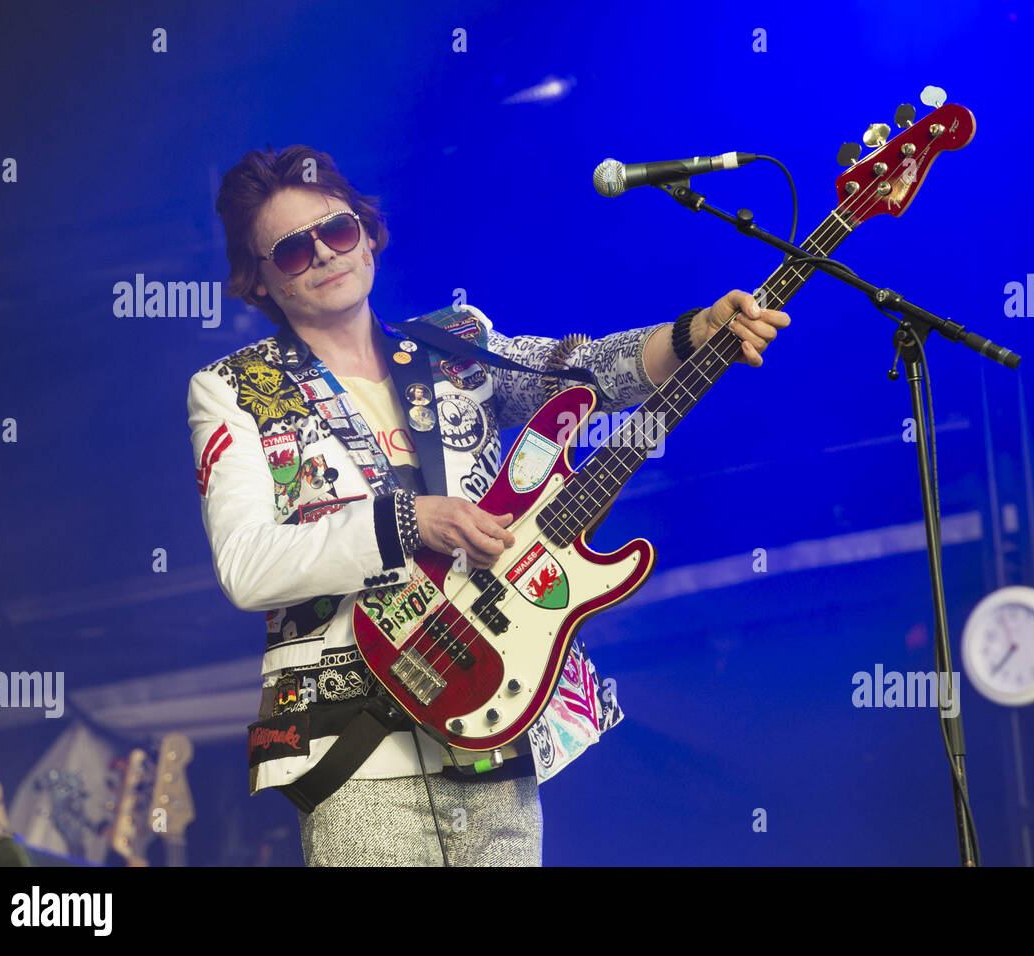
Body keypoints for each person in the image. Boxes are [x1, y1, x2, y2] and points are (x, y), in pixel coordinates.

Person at [187, 145, 789, 866]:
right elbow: (246, 565)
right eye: (291, 250)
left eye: (337, 230)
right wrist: (409, 522)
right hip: (358, 742)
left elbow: (578, 374)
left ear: (368, 232)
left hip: (499, 711)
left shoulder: (453, 344)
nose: (323, 253)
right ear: (258, 281)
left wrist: (693, 334)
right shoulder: (231, 388)